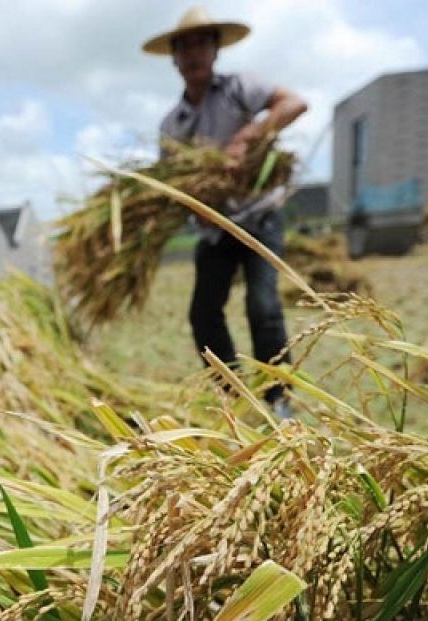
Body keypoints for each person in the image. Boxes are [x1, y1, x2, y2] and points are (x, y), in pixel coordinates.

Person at [143, 6, 308, 417]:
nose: (194, 53)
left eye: (202, 43)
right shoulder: (172, 125)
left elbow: (294, 103)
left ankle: (278, 399)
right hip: (215, 231)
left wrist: (247, 137)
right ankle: (232, 396)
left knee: (263, 307)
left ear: (216, 50)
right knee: (203, 316)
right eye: (185, 47)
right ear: (174, 59)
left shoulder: (240, 88)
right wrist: (191, 207)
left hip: (258, 218)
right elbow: (173, 186)